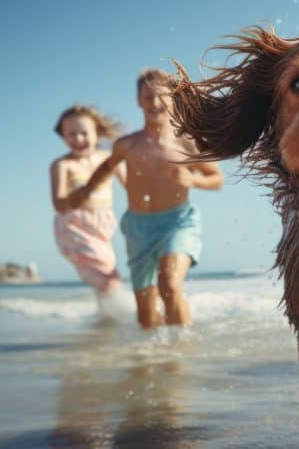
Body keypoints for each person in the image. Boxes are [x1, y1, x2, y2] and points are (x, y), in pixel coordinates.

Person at [69, 69, 224, 329]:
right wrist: (85, 191)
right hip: (138, 227)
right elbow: (107, 167)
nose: (154, 103)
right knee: (145, 307)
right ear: (139, 101)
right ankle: (152, 357)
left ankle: (180, 350)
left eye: (161, 96)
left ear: (173, 98)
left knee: (170, 284)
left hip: (178, 221)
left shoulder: (187, 143)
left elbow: (217, 179)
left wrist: (194, 180)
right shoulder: (127, 144)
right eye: (147, 97)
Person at [50, 105, 127, 308]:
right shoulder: (62, 165)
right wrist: (84, 191)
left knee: (104, 278)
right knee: (110, 280)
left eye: (84, 133)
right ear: (63, 136)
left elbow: (132, 185)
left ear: (97, 133)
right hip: (75, 228)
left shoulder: (108, 158)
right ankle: (123, 318)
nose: (78, 139)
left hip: (102, 226)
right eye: (71, 134)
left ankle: (104, 322)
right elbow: (59, 205)